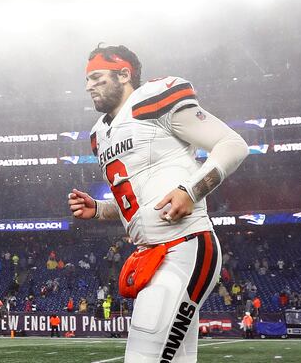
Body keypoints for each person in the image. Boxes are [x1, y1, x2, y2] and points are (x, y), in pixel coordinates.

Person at [68, 45, 248, 363]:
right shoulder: (99, 135)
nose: (88, 86)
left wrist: (191, 191)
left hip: (186, 245)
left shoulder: (154, 99)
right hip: (151, 254)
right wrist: (99, 208)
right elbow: (135, 202)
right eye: (87, 79)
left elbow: (233, 145)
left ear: (124, 74)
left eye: (97, 77)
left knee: (142, 355)